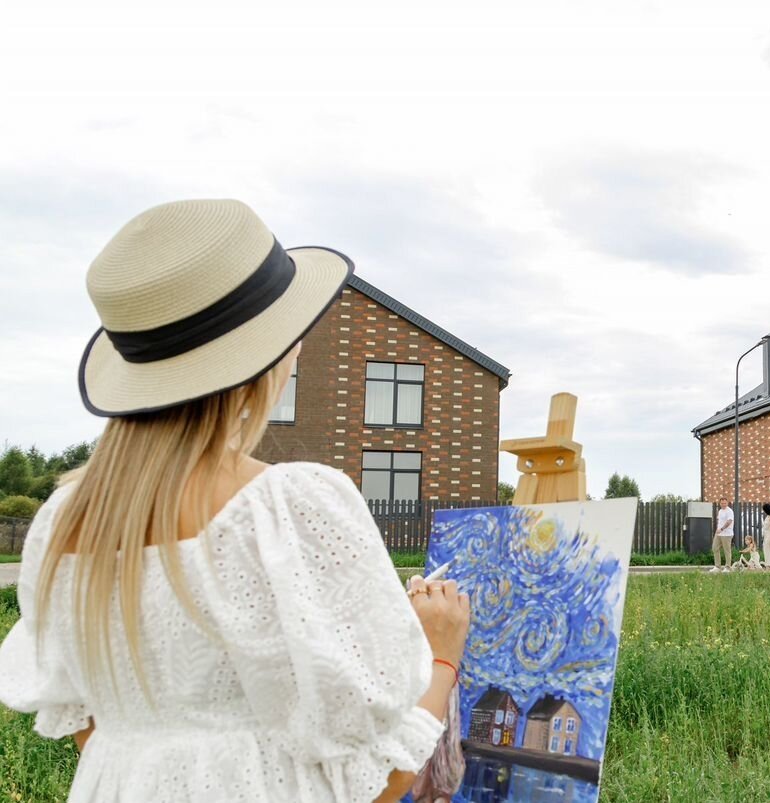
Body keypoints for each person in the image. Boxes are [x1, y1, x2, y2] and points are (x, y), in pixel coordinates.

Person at [0, 199, 472, 803]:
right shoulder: (287, 509)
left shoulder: (62, 525)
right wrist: (441, 656)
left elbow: (104, 741)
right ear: (268, 357)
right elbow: (375, 783)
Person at [711, 498, 734, 572]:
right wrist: (717, 531)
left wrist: (721, 529)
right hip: (719, 534)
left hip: (727, 534)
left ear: (727, 503)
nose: (723, 504)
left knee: (727, 551)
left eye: (725, 503)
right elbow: (720, 522)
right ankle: (717, 567)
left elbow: (729, 521)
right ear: (720, 503)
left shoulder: (729, 511)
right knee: (715, 548)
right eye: (722, 503)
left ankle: (727, 567)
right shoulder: (720, 511)